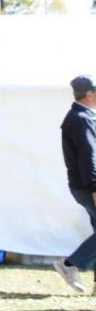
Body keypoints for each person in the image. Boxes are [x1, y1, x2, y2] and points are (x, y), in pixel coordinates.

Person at [53, 75, 96, 298]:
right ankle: (70, 264)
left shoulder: (80, 116)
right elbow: (89, 158)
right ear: (89, 94)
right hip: (89, 186)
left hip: (82, 186)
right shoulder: (82, 119)